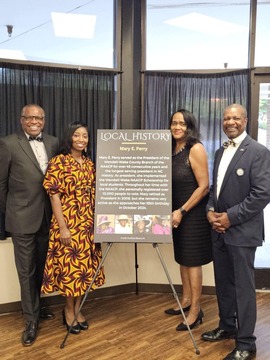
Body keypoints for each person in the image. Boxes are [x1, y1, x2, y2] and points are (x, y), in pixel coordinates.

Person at [201, 104, 270, 360]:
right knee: (224, 284)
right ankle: (227, 327)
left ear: (246, 120)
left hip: (242, 232)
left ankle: (246, 343)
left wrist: (230, 218)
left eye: (235, 118)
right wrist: (210, 212)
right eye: (227, 118)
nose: (230, 122)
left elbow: (262, 194)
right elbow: (214, 190)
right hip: (218, 230)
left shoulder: (259, 152)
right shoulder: (220, 151)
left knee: (243, 288)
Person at [0, 104, 59, 346]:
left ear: (44, 120)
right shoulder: (8, 143)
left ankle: (38, 307)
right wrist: (13, 211)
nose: (34, 121)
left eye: (39, 117)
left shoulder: (54, 143)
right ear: (21, 119)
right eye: (30, 117)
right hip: (21, 218)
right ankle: (30, 321)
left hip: (48, 218)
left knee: (41, 267)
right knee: (26, 272)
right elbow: (1, 184)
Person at [41, 122, 105, 335]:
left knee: (83, 272)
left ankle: (78, 308)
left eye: (85, 136)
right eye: (77, 135)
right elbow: (54, 196)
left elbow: (97, 196)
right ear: (69, 138)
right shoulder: (58, 162)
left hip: (88, 225)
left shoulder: (89, 164)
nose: (81, 139)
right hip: (68, 223)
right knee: (70, 272)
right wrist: (63, 228)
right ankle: (68, 310)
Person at [164, 109, 212, 332]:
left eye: (182, 123)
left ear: (189, 126)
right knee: (183, 258)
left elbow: (204, 187)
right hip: (178, 214)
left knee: (192, 261)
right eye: (174, 123)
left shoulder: (196, 148)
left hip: (192, 215)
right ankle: (185, 301)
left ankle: (196, 310)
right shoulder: (172, 149)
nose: (177, 127)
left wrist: (181, 210)